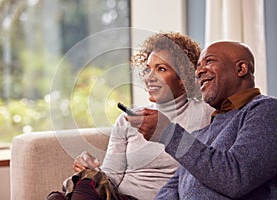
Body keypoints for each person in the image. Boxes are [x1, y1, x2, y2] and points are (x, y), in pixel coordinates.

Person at [47, 32, 214, 200]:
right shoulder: (128, 120)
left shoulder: (205, 114)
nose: (150, 78)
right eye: (148, 69)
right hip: (119, 196)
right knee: (62, 195)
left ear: (183, 77)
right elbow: (112, 175)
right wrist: (93, 170)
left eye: (161, 69)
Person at [127, 41, 277, 199]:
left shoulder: (267, 111)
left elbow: (235, 178)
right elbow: (171, 189)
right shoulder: (201, 134)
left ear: (241, 69)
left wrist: (167, 132)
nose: (198, 71)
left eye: (209, 61)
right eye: (198, 66)